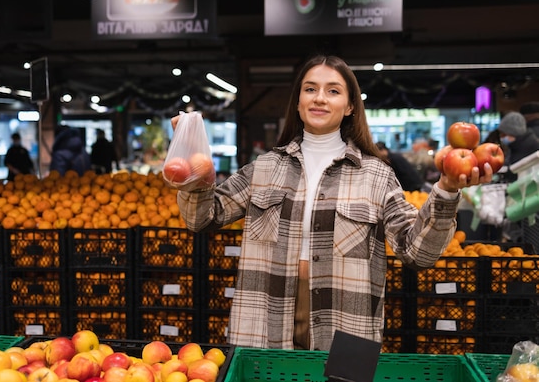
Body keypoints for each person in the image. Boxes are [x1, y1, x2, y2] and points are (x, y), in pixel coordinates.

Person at [173, 55, 492, 351]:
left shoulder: (376, 175)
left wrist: (447, 190)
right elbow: (203, 218)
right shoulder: (265, 168)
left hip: (348, 327)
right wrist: (191, 168)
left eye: (333, 91)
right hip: (264, 321)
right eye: (310, 89)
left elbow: (417, 252)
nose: (320, 98)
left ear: (350, 105)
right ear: (298, 102)